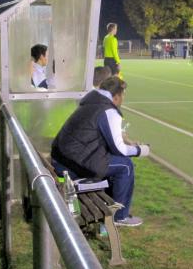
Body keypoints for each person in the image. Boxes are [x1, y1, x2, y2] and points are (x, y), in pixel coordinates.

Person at [51, 76, 150, 227]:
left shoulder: (91, 102)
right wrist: (140, 150)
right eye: (123, 95)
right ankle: (119, 217)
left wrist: (125, 141)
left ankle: (110, 208)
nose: (123, 99)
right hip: (71, 166)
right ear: (116, 96)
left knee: (113, 162)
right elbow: (119, 149)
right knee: (125, 166)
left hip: (61, 158)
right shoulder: (108, 110)